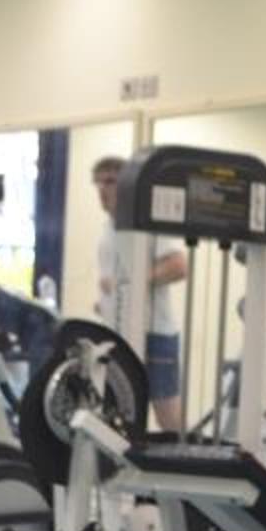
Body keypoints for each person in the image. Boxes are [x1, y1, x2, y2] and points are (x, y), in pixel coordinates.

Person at [91, 153, 187, 434]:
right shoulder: (109, 227)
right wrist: (106, 302)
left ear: (127, 185)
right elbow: (117, 281)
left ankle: (180, 458)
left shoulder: (149, 222)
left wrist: (131, 283)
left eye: (110, 182)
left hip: (154, 334)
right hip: (119, 332)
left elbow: (179, 266)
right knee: (121, 409)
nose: (103, 190)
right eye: (99, 183)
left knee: (167, 416)